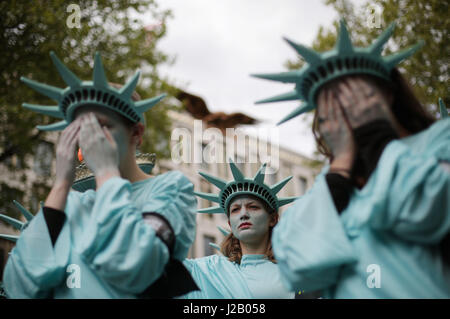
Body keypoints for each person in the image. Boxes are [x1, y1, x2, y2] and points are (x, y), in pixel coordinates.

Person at [253, 20, 450, 298]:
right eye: (330, 106)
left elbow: (427, 206)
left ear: (387, 93)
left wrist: (377, 137)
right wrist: (341, 167)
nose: (344, 110)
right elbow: (298, 267)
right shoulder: (328, 185)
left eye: (352, 94)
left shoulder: (440, 140)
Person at [3, 52, 198, 298]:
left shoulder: (171, 187)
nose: (90, 137)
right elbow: (19, 285)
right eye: (82, 129)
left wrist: (106, 172)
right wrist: (61, 184)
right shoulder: (72, 203)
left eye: (103, 126)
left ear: (136, 134)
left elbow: (134, 261)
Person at [180, 159, 297, 299]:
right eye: (235, 210)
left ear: (272, 219)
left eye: (253, 207)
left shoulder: (295, 273)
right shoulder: (206, 271)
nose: (243, 214)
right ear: (230, 224)